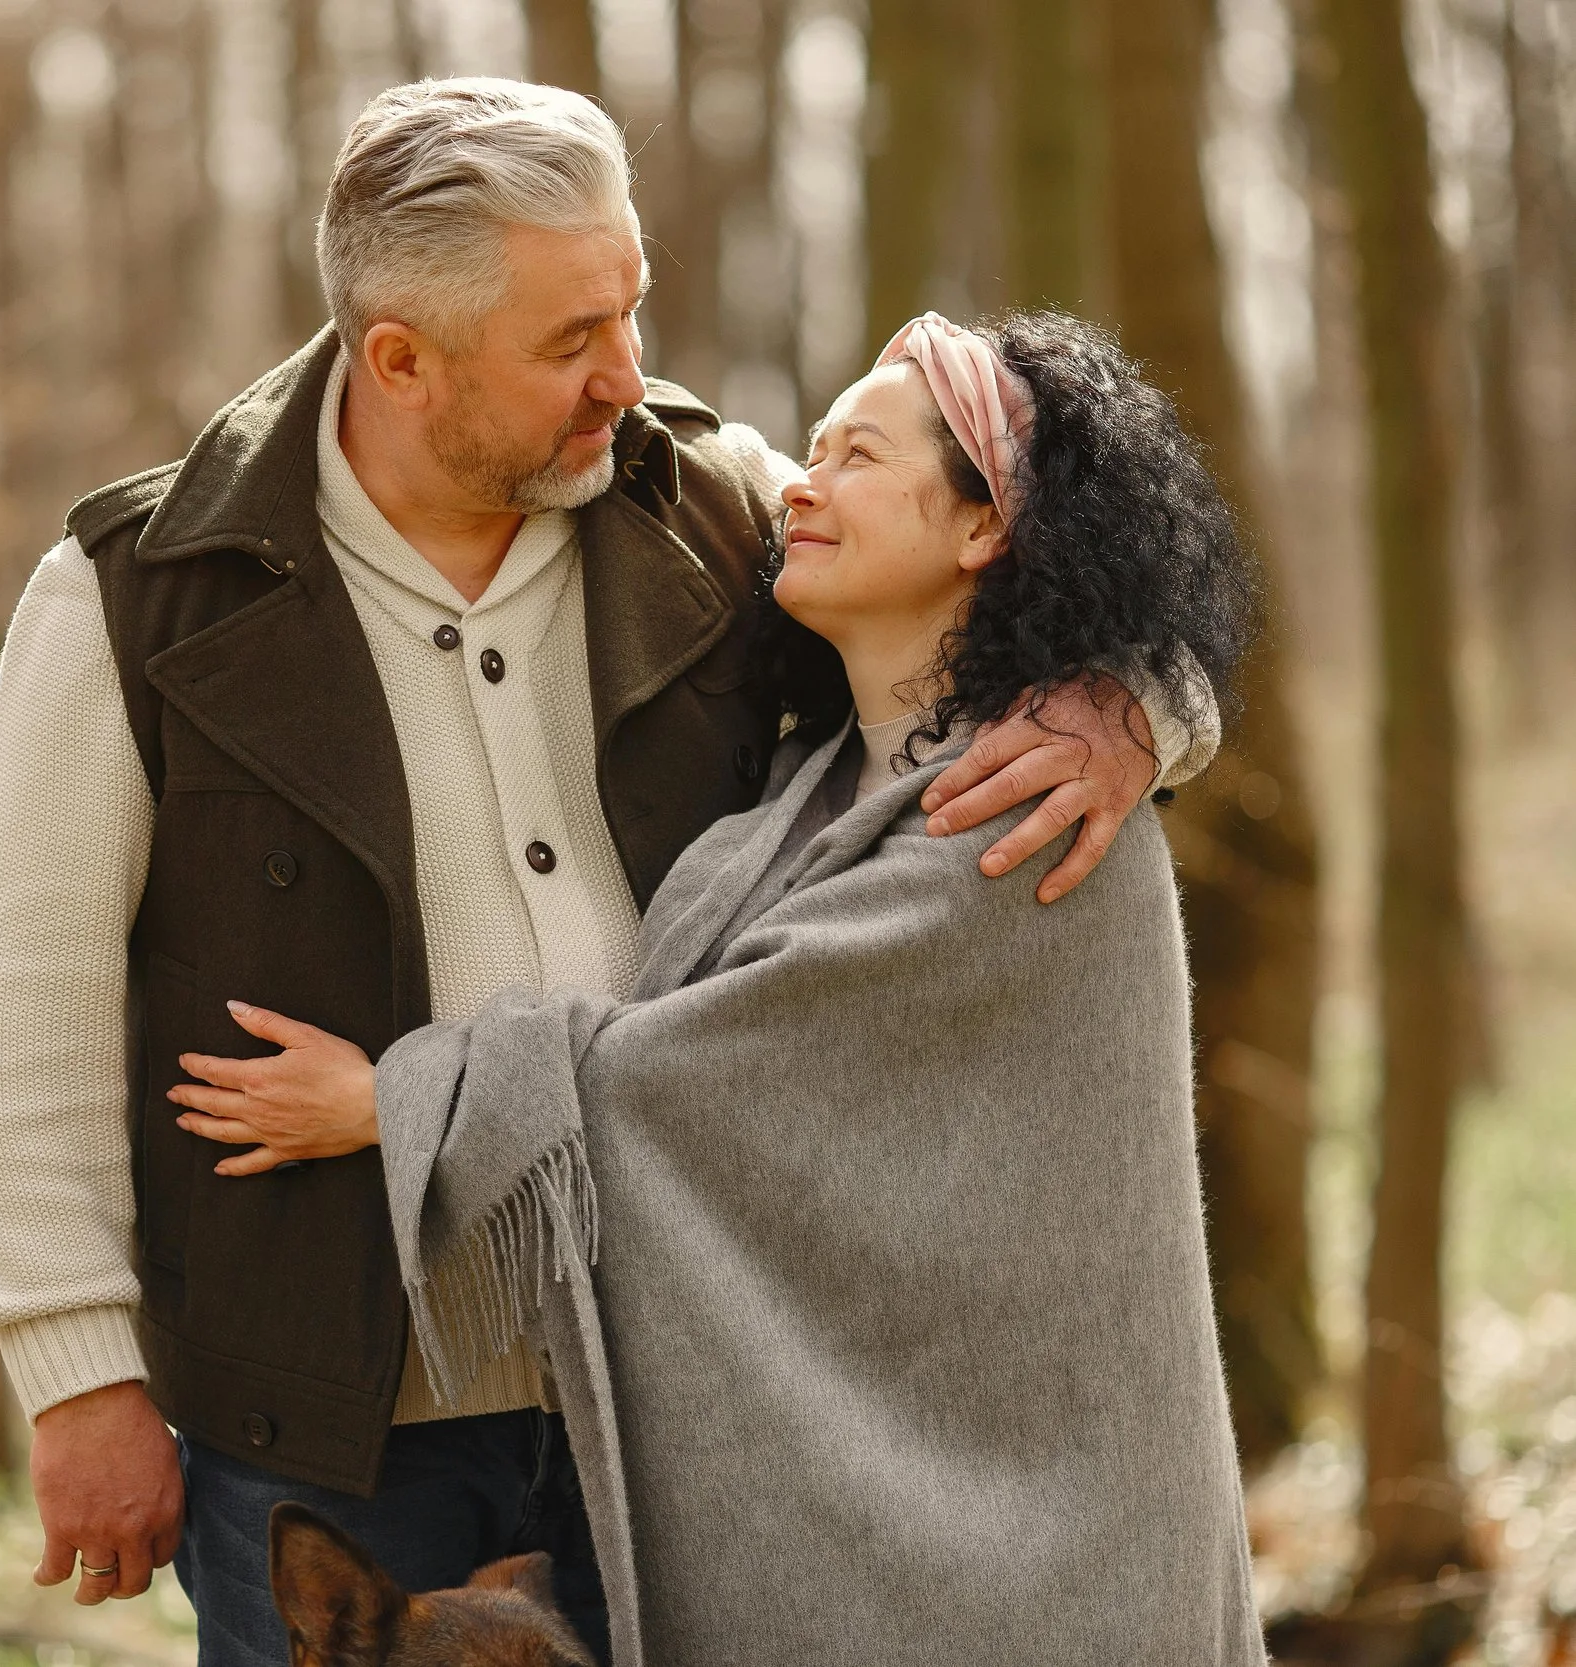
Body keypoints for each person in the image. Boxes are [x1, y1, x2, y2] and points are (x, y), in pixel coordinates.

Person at [0, 79, 1218, 1667]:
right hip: (331, 1421)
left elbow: (1023, 569)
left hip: (681, 1393)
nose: (626, 372)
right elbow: (23, 998)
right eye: (568, 341)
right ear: (401, 358)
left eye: (630, 308)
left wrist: (1136, 704)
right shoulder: (139, 597)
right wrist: (80, 1373)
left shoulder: (710, 503)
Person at [169, 310, 1268, 1666]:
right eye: (809, 447)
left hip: (1052, 1563)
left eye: (858, 454)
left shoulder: (1034, 817)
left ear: (987, 529)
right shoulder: (797, 802)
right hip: (893, 1555)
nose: (799, 483)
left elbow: (696, 1077)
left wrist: (396, 1099)